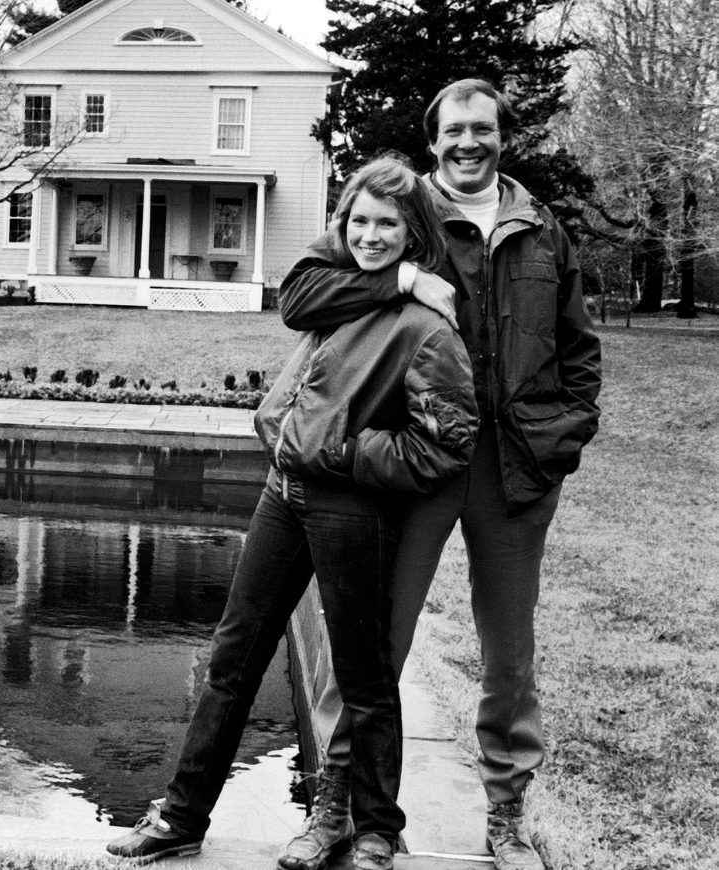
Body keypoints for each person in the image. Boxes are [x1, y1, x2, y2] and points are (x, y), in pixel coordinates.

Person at [107, 154, 479, 870]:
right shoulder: (337, 292)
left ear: (413, 233)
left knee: (364, 674)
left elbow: (445, 447)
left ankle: (375, 830)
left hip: (351, 507)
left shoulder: (427, 329)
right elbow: (299, 296)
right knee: (232, 659)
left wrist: (348, 454)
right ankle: (182, 816)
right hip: (284, 494)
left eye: (388, 225)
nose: (371, 235)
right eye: (359, 222)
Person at [280, 80, 603, 870]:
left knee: (509, 653)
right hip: (415, 464)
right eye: (454, 130)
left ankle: (506, 815)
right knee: (372, 644)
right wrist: (399, 279)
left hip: (515, 471)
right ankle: (335, 807)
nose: (468, 142)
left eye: (482, 129)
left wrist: (563, 435)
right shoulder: (402, 212)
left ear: (502, 137)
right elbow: (303, 293)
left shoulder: (540, 228)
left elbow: (578, 350)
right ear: (434, 140)